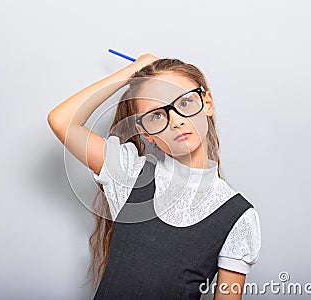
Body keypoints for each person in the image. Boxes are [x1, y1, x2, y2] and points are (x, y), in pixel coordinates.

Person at [47, 53, 262, 299]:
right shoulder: (128, 174)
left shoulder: (239, 217)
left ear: (208, 102)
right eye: (157, 115)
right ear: (145, 132)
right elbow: (62, 120)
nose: (176, 121)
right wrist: (133, 72)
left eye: (184, 103)